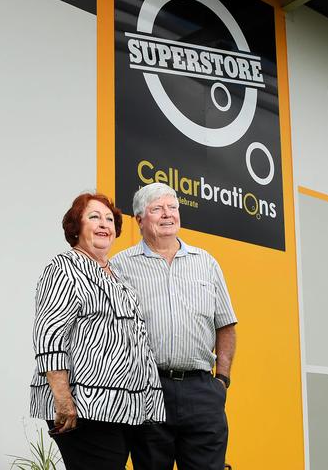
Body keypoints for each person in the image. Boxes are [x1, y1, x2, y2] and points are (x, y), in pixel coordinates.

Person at [30, 193, 165, 470]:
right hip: (85, 408)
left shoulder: (116, 276)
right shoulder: (64, 268)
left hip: (122, 410)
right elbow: (49, 335)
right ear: (76, 227)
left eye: (109, 219)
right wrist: (63, 399)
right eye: (94, 217)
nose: (104, 224)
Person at [112, 183, 237, 470]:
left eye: (172, 207)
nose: (167, 214)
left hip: (202, 391)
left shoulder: (206, 263)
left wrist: (223, 380)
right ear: (140, 220)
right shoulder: (120, 266)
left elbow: (226, 325)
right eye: (157, 209)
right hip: (148, 389)